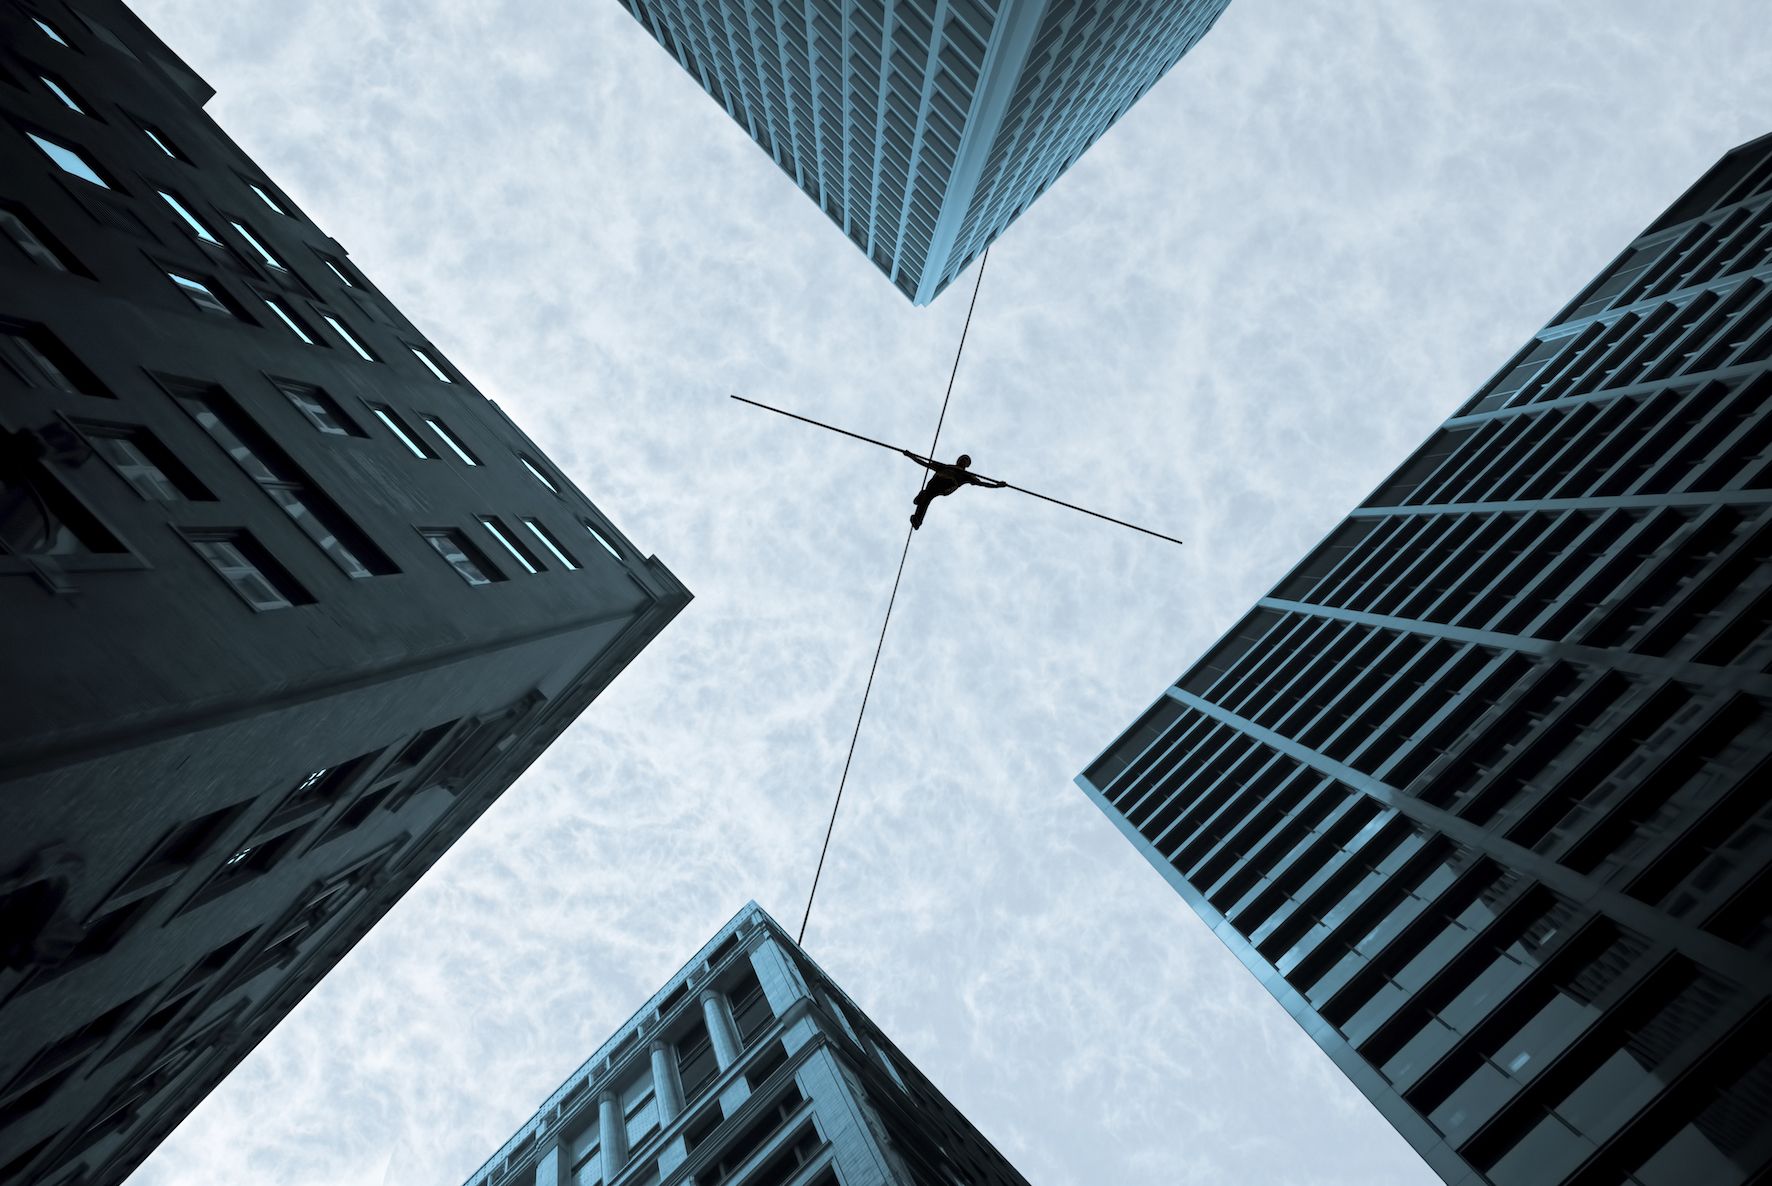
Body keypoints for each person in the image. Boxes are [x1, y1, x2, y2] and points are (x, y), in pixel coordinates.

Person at [902, 450, 1006, 529]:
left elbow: (982, 483)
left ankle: (918, 518)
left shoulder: (967, 475)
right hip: (935, 482)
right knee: (926, 496)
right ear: (958, 460)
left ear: (967, 465)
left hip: (946, 485)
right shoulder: (946, 466)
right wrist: (911, 456)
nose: (963, 461)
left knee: (927, 497)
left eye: (966, 461)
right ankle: (921, 500)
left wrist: (997, 485)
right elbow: (925, 463)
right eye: (963, 459)